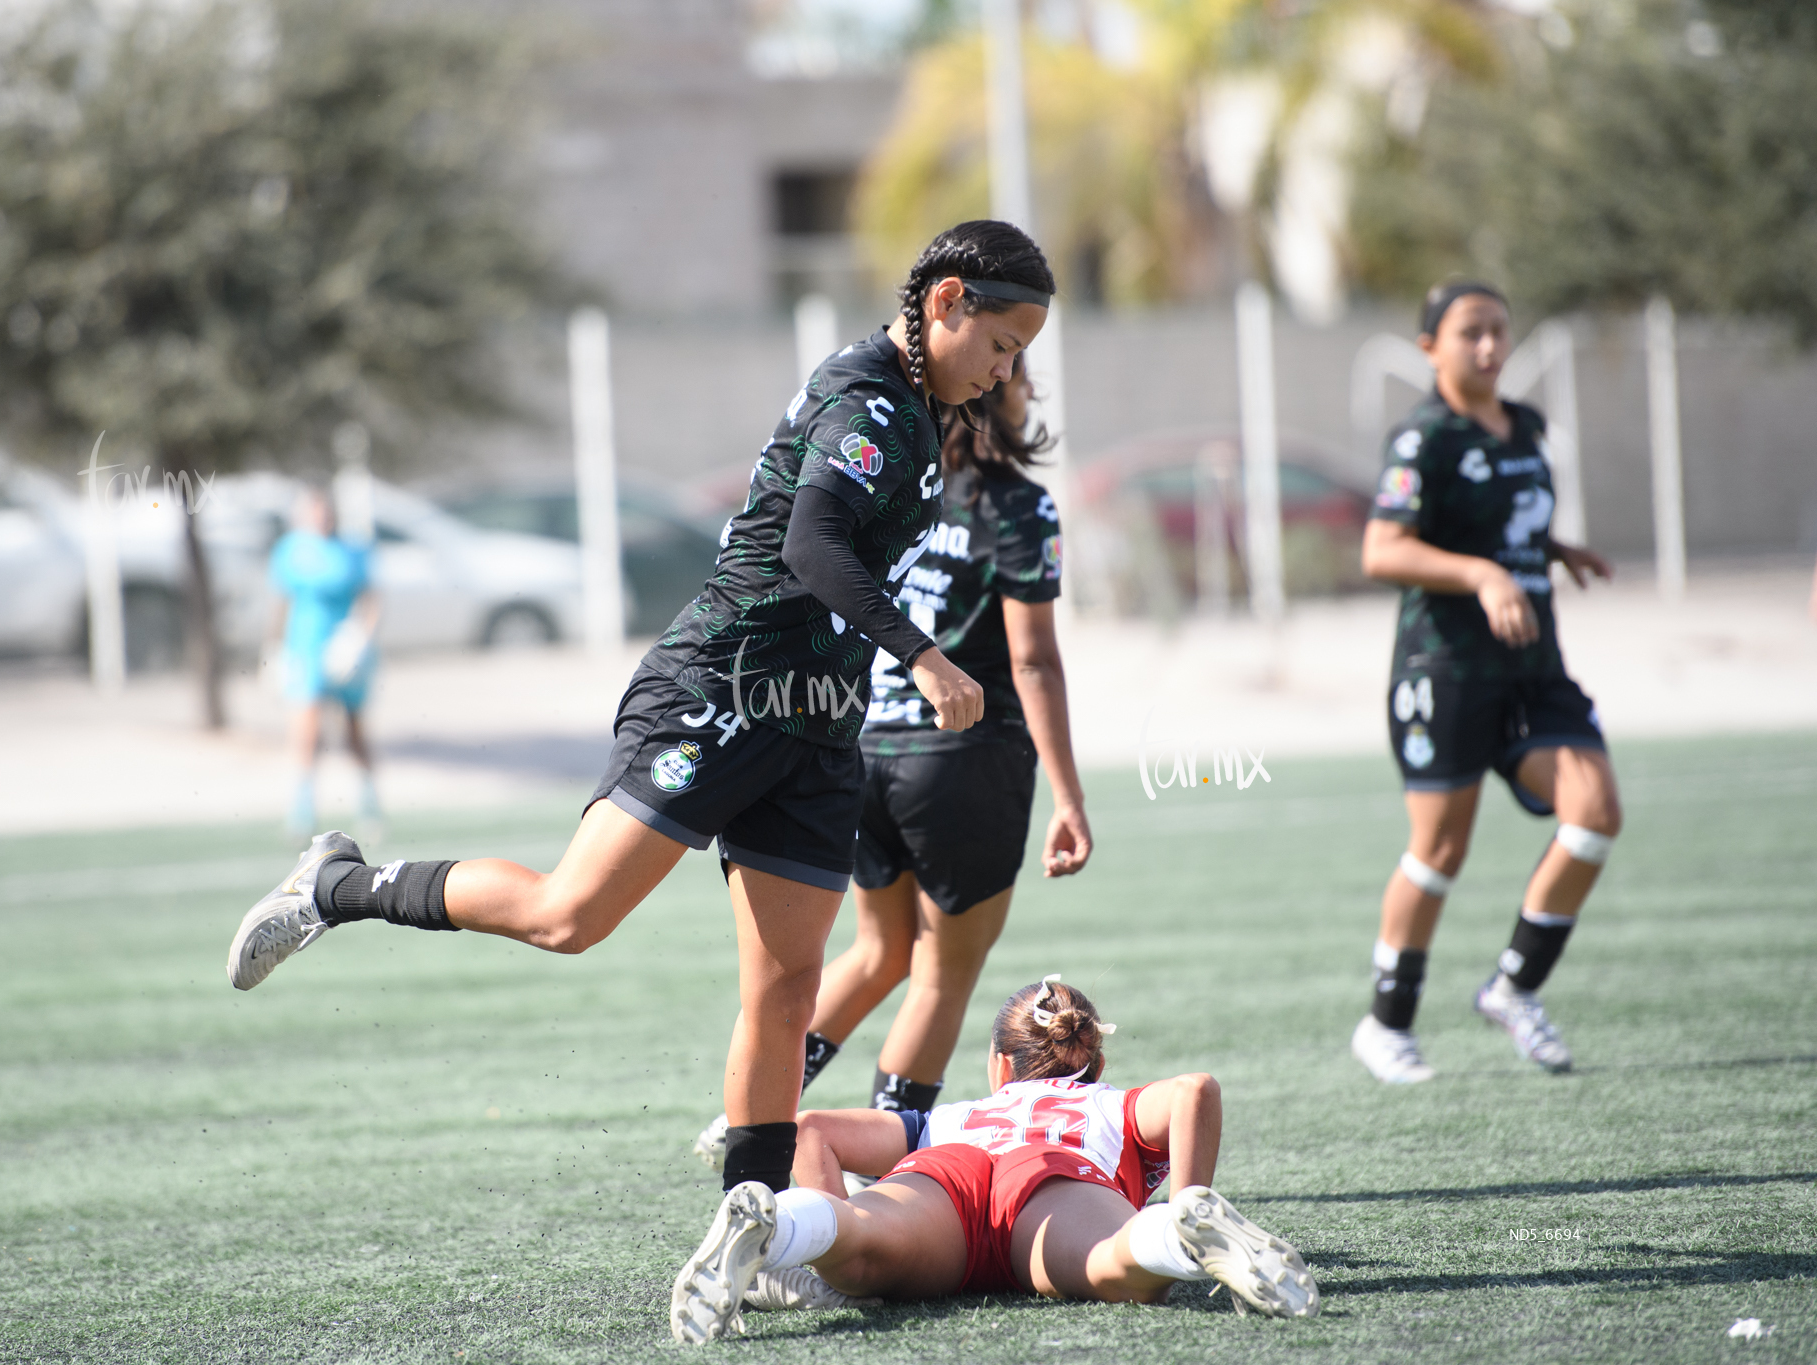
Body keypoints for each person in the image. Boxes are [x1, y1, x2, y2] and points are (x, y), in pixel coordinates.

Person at [226, 221, 1055, 1211]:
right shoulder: (865, 393)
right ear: (945, 303)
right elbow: (812, 548)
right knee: (567, 915)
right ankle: (339, 885)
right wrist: (921, 656)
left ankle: (756, 1228)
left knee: (788, 992)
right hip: (721, 690)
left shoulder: (921, 407)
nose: (1005, 372)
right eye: (1001, 346)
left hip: (819, 725)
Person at [692, 351, 1090, 1166]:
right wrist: (1070, 797)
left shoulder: (909, 493)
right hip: (963, 759)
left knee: (880, 951)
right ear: (997, 398)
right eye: (1015, 373)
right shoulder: (1016, 505)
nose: (1022, 388)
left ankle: (753, 1114)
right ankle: (885, 1167)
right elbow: (1034, 662)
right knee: (940, 973)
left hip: (866, 749)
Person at [669, 977, 1318, 1343]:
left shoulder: (956, 1112)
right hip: (1054, 1177)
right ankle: (1183, 1234)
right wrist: (1186, 1193)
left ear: (1000, 1065)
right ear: (1093, 1062)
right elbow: (1194, 1090)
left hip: (949, 1163)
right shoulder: (1107, 1103)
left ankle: (788, 1228)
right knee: (1120, 1267)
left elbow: (812, 1128)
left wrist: (836, 1258)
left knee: (861, 1247)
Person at [1349, 279, 1622, 1085]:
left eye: (1500, 329)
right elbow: (1382, 550)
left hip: (1534, 668)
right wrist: (1482, 574)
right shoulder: (1423, 438)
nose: (1490, 346)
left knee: (1596, 812)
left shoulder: (1526, 426)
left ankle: (1513, 986)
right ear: (1431, 346)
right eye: (1471, 332)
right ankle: (1386, 1023)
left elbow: (1507, 526)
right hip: (1448, 669)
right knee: (1439, 849)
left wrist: (1554, 552)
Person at [267, 486, 380, 838]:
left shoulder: (351, 550)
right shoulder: (290, 551)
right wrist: (274, 647)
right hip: (306, 647)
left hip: (343, 649)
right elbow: (282, 601)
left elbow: (371, 599)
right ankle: (302, 811)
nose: (322, 518)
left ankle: (369, 805)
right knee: (307, 729)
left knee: (353, 728)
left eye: (326, 512)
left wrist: (358, 638)